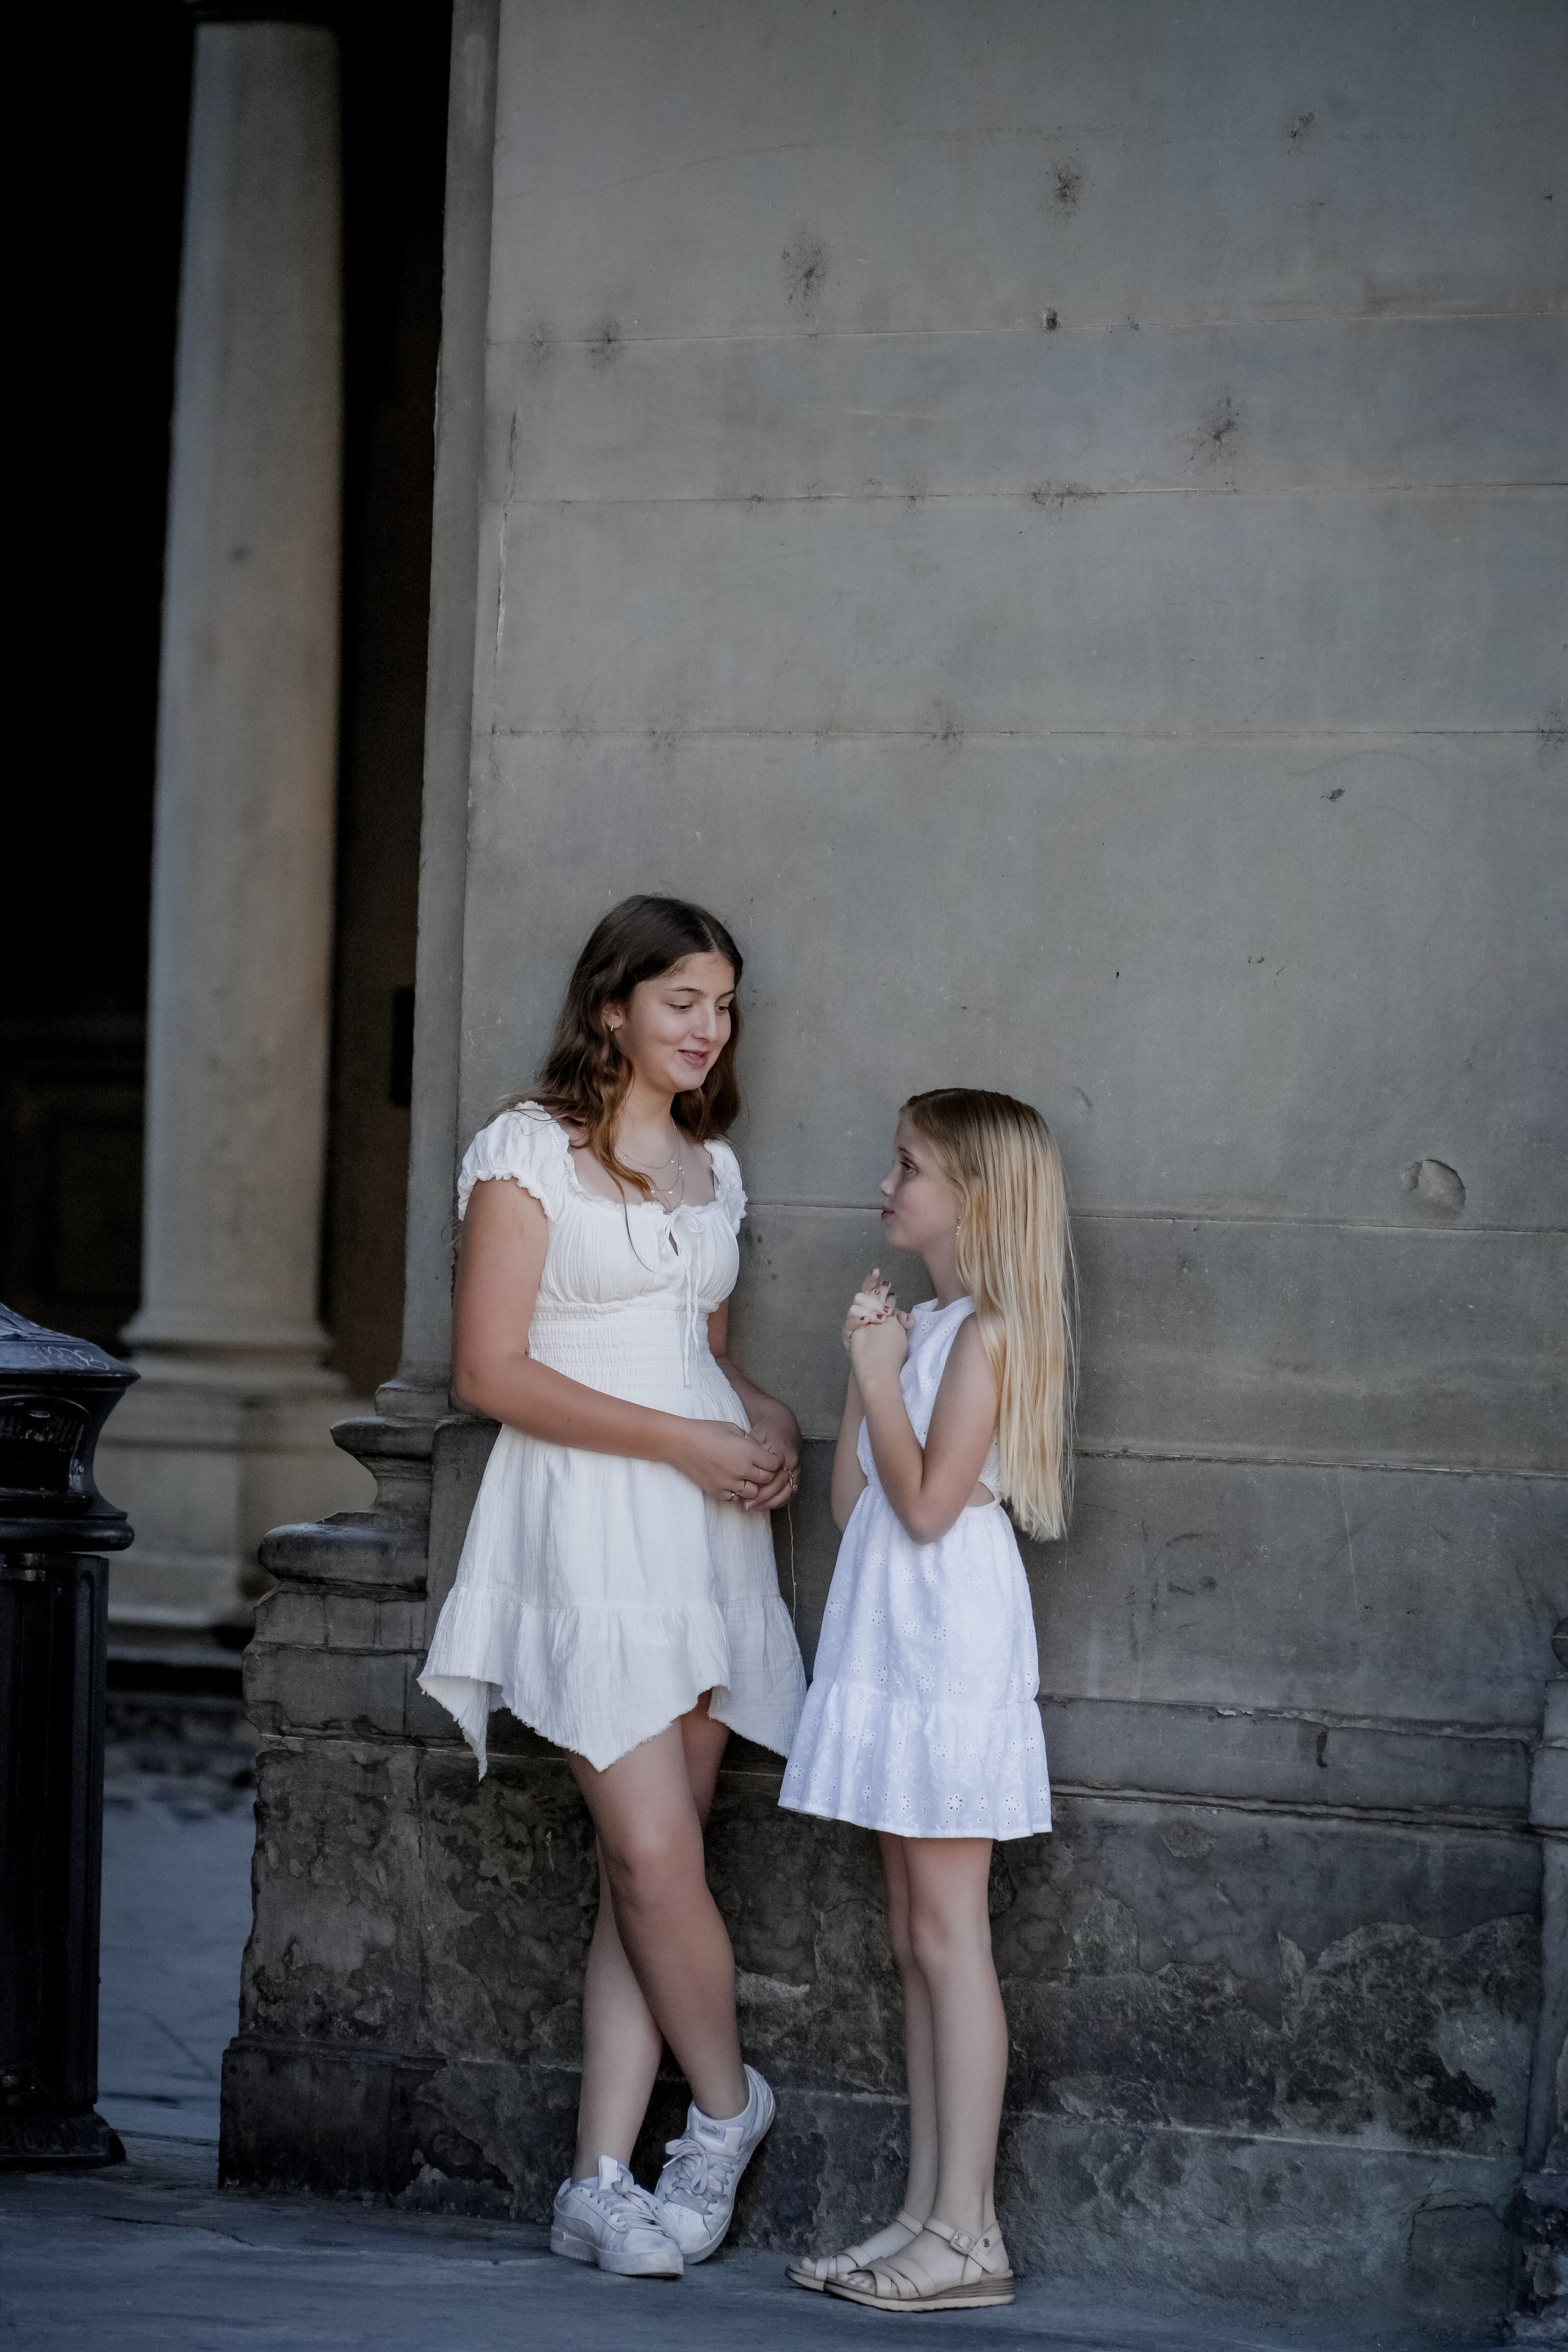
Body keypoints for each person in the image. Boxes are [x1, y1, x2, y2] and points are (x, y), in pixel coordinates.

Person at [419, 895, 806, 2281]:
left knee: (653, 1873)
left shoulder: (715, 1165)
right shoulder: (528, 1151)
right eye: (680, 1001)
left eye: (722, 1005)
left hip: (702, 1529)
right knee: (648, 1852)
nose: (707, 1028)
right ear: (609, 1008)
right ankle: (722, 2112)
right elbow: (492, 1373)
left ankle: (596, 2176)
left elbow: (700, 1352)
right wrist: (690, 1440)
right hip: (585, 1518)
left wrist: (765, 1427)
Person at [778, 1088, 1075, 2313]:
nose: (884, 1184)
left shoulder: (994, 1330)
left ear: (974, 1196)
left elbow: (924, 1500)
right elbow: (853, 1503)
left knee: (950, 1936)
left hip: (949, 1634)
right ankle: (922, 2213)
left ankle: (969, 2234)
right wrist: (867, 1377)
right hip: (891, 1625)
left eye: (906, 1166)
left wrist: (872, 1370)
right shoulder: (941, 1322)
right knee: (911, 1937)